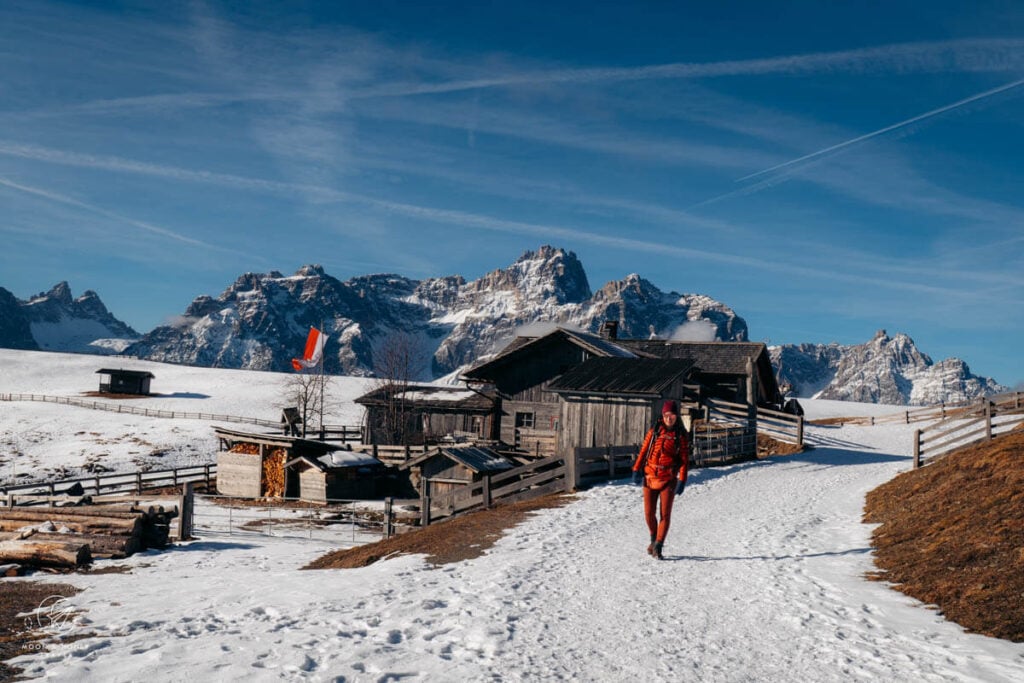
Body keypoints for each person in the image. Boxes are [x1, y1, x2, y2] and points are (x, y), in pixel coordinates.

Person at [631, 399, 689, 560]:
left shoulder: (680, 436)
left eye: (671, 415)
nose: (669, 418)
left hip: (668, 479)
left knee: (665, 515)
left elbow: (684, 460)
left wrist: (682, 480)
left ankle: (658, 545)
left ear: (676, 416)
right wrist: (636, 468)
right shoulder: (654, 431)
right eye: (666, 415)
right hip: (649, 477)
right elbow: (643, 451)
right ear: (662, 415)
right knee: (649, 513)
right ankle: (653, 538)